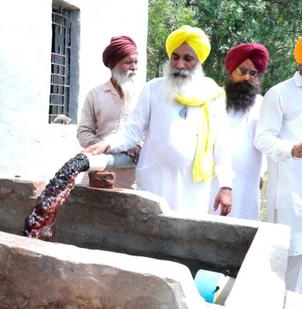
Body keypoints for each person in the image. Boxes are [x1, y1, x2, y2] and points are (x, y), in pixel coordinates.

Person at [84, 25, 233, 216]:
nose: (179, 64)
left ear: (198, 61)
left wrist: (226, 186)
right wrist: (107, 144)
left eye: (188, 58)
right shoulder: (153, 89)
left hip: (195, 188)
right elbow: (132, 130)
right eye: (175, 57)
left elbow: (221, 145)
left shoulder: (213, 96)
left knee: (187, 237)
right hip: (155, 182)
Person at [254, 37, 302, 293]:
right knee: (287, 262)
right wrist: (291, 149)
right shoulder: (280, 93)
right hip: (289, 194)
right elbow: (262, 138)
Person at [208, 43, 269, 219]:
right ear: (232, 71)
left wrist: (262, 172)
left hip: (249, 183)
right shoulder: (215, 99)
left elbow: (265, 140)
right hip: (216, 180)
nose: (247, 77)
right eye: (242, 71)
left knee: (246, 233)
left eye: (253, 73)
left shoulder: (262, 104)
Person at [77, 36, 141, 188]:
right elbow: (83, 132)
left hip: (133, 177)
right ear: (114, 65)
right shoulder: (96, 94)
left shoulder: (143, 95)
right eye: (128, 62)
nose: (134, 67)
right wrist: (103, 147)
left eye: (136, 62)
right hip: (99, 171)